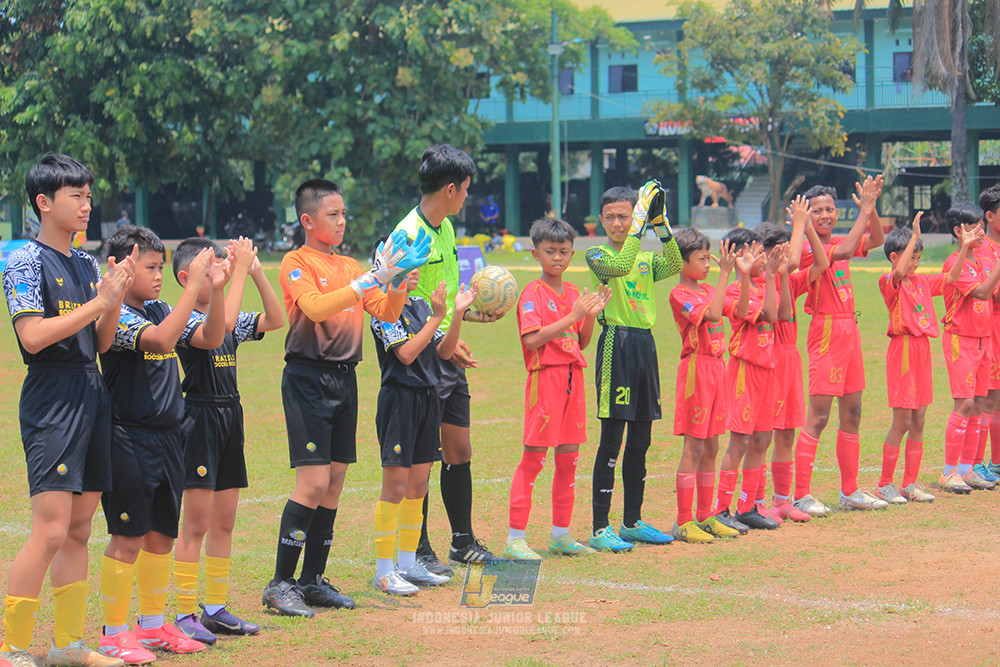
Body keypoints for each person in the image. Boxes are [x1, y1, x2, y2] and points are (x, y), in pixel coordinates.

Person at [262, 179, 428, 617]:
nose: (341, 221)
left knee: (334, 482)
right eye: (332, 214)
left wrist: (395, 282)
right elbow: (316, 308)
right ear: (307, 220)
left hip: (344, 379)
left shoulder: (351, 265)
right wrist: (371, 278)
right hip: (307, 378)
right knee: (313, 482)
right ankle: (280, 583)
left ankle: (312, 580)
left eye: (343, 214)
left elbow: (387, 312)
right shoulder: (296, 261)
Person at [1, 154, 133, 667]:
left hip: (90, 389)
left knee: (79, 529)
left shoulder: (86, 263)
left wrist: (113, 299)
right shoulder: (24, 262)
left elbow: (100, 343)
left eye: (88, 195)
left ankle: (67, 647)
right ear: (43, 202)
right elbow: (32, 337)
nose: (86, 205)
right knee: (51, 529)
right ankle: (13, 648)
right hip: (52, 395)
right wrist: (100, 303)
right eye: (75, 195)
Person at [97, 225, 228, 664]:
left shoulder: (159, 307)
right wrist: (193, 286)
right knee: (127, 537)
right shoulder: (116, 313)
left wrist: (216, 289)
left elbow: (210, 338)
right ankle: (113, 633)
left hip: (170, 436)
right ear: (126, 267)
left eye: (160, 267)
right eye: (150, 267)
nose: (158, 276)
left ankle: (152, 626)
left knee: (160, 537)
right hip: (129, 436)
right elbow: (161, 340)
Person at [394, 145, 503, 572]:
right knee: (422, 456)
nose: (468, 197)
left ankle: (462, 541)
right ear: (451, 189)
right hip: (421, 357)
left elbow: (444, 297)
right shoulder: (407, 235)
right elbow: (400, 305)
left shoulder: (447, 228)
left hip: (446, 351)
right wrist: (443, 336)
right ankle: (417, 548)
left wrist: (471, 315)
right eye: (466, 190)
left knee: (459, 448)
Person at [170, 236, 285, 643]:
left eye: (223, 267)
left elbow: (276, 319)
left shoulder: (226, 313)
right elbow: (221, 331)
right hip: (199, 417)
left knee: (224, 521)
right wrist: (234, 276)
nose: (220, 275)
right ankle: (184, 612)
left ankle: (215, 609)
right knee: (196, 522)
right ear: (186, 277)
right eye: (212, 271)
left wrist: (255, 272)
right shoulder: (183, 319)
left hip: (230, 415)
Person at [503, 217, 611, 560]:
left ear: (572, 253)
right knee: (534, 459)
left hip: (573, 379)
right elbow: (533, 340)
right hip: (545, 378)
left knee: (569, 460)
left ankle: (561, 535)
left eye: (564, 251)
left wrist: (590, 315)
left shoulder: (576, 293)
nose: (558, 258)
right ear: (536, 253)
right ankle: (515, 539)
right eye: (550, 251)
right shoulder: (532, 293)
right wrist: (573, 315)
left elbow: (581, 341)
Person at [584, 182, 681, 552]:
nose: (618, 223)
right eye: (610, 217)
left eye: (624, 216)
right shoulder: (598, 254)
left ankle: (632, 522)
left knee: (641, 439)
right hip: (616, 343)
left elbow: (675, 263)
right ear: (601, 220)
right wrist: (641, 225)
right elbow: (622, 265)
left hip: (645, 345)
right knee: (613, 439)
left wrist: (661, 224)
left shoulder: (644, 257)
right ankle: (599, 528)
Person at [370, 269, 476, 595]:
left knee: (418, 485)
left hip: (428, 398)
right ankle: (384, 570)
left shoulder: (420, 305)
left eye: (417, 263)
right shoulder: (382, 308)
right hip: (399, 401)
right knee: (396, 487)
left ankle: (408, 563)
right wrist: (439, 317)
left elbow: (444, 352)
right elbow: (406, 354)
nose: (415, 270)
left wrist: (456, 315)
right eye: (407, 263)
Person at [792, 176, 888, 515]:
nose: (825, 215)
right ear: (806, 216)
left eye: (830, 209)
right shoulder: (808, 247)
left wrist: (871, 209)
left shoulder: (838, 240)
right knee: (818, 416)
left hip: (850, 330)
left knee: (853, 413)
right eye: (817, 210)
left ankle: (850, 492)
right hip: (827, 331)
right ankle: (801, 494)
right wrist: (864, 208)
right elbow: (845, 251)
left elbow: (877, 239)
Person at [711, 228, 786, 532]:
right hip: (745, 370)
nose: (762, 257)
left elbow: (780, 314)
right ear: (739, 255)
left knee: (762, 439)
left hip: (767, 370)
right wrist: (753, 276)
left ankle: (747, 507)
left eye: (762, 252)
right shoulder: (734, 289)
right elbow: (766, 316)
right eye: (756, 252)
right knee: (740, 440)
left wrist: (773, 276)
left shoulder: (764, 285)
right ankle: (721, 508)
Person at [760, 197, 829, 522]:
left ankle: (781, 501)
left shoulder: (788, 279)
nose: (785, 258)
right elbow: (794, 264)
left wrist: (805, 229)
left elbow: (821, 263)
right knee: (762, 434)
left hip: (791, 361)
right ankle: (754, 501)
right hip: (768, 361)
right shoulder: (761, 282)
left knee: (787, 432)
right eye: (778, 253)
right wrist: (800, 223)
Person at [668, 229, 735, 543]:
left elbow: (738, 310)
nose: (708, 264)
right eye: (702, 259)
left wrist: (741, 275)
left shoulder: (709, 288)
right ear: (682, 263)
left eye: (709, 258)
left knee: (712, 445)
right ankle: (683, 521)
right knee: (694, 446)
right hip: (697, 369)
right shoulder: (679, 294)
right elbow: (715, 314)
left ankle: (705, 516)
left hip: (719, 368)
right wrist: (726, 275)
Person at [872, 215, 938, 503]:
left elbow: (951, 278)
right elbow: (898, 272)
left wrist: (964, 247)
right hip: (904, 351)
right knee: (902, 421)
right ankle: (884, 484)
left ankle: (909, 484)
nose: (916, 263)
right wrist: (914, 235)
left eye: (919, 258)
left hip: (923, 350)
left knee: (919, 420)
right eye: (912, 257)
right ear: (895, 257)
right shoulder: (889, 281)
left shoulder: (921, 281)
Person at [938, 206, 1000, 492]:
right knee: (963, 403)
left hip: (983, 338)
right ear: (957, 231)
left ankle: (967, 468)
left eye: (981, 227)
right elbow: (983, 293)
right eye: (974, 228)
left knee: (977, 402)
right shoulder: (955, 263)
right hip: (961, 339)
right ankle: (949, 471)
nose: (981, 232)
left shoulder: (982, 260)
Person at [973, 183, 1000, 483]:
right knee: (989, 395)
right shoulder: (982, 249)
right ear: (989, 216)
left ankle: (996, 461)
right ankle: (977, 461)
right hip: (990, 327)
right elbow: (991, 294)